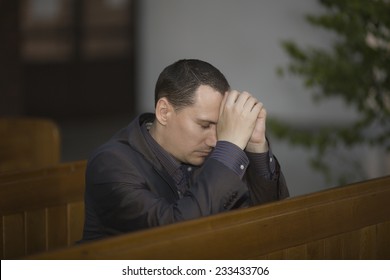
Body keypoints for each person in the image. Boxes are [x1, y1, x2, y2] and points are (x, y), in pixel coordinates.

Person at [81, 59, 289, 242]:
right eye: (205, 125)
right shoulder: (111, 164)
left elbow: (268, 225)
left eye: (220, 127)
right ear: (164, 112)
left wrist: (256, 147)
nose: (216, 141)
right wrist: (230, 149)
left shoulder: (209, 156)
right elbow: (176, 234)